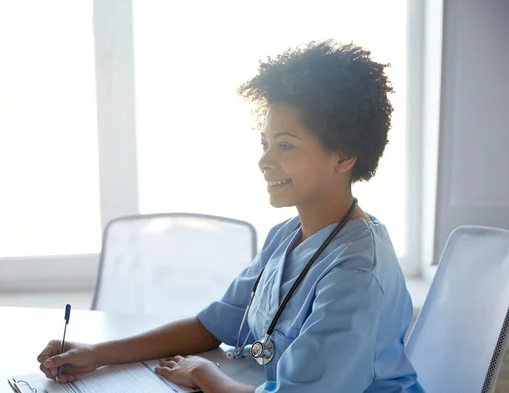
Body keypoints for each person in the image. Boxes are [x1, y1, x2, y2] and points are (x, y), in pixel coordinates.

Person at [37, 39, 425, 393]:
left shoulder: (356, 274)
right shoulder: (287, 236)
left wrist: (204, 375)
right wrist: (97, 353)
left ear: (344, 156)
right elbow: (214, 325)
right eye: (265, 143)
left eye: (285, 146)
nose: (264, 161)